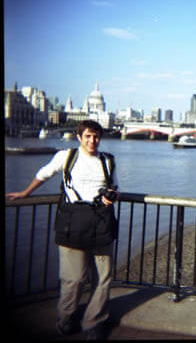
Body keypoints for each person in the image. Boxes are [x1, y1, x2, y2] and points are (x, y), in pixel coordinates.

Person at [6, 120, 120, 340]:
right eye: (87, 136)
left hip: (102, 224)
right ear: (79, 137)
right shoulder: (66, 157)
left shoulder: (108, 160)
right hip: (73, 223)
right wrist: (25, 193)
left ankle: (93, 323)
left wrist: (111, 195)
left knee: (103, 278)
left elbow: (116, 187)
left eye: (96, 136)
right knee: (73, 278)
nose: (92, 141)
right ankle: (66, 318)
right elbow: (44, 173)